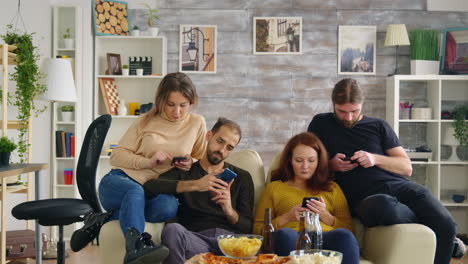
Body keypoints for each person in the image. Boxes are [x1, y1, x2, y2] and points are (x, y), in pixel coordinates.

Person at [307, 78, 461, 264]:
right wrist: (330, 165)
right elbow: (306, 161)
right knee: (384, 206)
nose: (348, 117)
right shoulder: (320, 123)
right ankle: (444, 240)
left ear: (362, 105)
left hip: (400, 187)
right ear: (333, 105)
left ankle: (446, 240)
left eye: (354, 111)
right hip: (364, 199)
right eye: (342, 112)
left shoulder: (379, 126)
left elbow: (406, 167)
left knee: (446, 224)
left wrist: (374, 159)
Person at [76, 72, 207, 264]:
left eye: (183, 105)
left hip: (154, 189)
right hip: (121, 181)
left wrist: (191, 163)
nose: (177, 112)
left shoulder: (197, 123)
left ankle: (100, 220)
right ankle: (136, 246)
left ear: (191, 102)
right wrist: (149, 162)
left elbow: (200, 159)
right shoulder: (145, 120)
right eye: (171, 104)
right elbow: (117, 156)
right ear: (161, 100)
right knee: (135, 191)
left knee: (168, 207)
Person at [143, 117, 254, 264]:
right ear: (209, 136)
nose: (222, 150)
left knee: (259, 246)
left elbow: (248, 226)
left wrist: (229, 210)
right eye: (220, 141)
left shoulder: (242, 177)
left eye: (229, 148)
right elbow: (149, 187)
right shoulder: (185, 172)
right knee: (172, 230)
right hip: (195, 239)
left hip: (230, 243)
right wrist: (195, 185)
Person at [253, 132, 359, 264]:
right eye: (299, 160)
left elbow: (350, 230)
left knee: (345, 236)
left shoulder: (332, 188)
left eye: (311, 160)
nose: (305, 166)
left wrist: (326, 216)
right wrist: (286, 218)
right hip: (291, 238)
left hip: (324, 239)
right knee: (285, 235)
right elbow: (257, 231)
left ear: (319, 161)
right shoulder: (275, 188)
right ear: (290, 161)